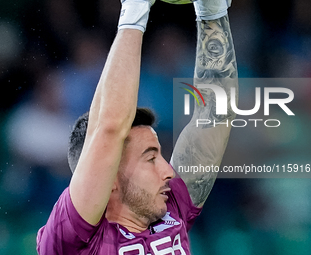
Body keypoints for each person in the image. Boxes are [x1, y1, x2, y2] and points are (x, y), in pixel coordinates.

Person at [36, 0, 238, 254]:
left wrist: (213, 12)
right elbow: (109, 128)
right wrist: (135, 10)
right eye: (150, 158)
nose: (168, 170)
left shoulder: (169, 209)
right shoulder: (70, 239)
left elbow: (215, 116)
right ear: (108, 177)